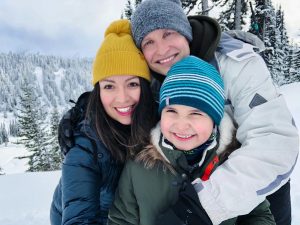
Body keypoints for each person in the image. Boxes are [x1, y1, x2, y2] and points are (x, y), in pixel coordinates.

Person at [128, 0, 299, 224]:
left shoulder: (238, 65)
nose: (161, 49)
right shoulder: (150, 81)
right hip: (188, 188)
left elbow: (273, 140)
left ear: (185, 31)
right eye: (148, 41)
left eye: (168, 33)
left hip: (259, 190)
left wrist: (200, 206)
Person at [108, 56, 275, 225]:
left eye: (195, 113)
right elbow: (121, 219)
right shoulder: (138, 165)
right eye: (171, 111)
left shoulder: (235, 161)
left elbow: (259, 215)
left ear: (214, 119)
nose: (181, 126)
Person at [50, 19, 157, 225]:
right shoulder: (85, 147)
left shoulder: (157, 124)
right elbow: (78, 217)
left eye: (132, 84)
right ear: (97, 91)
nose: (122, 98)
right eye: (109, 86)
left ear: (145, 87)